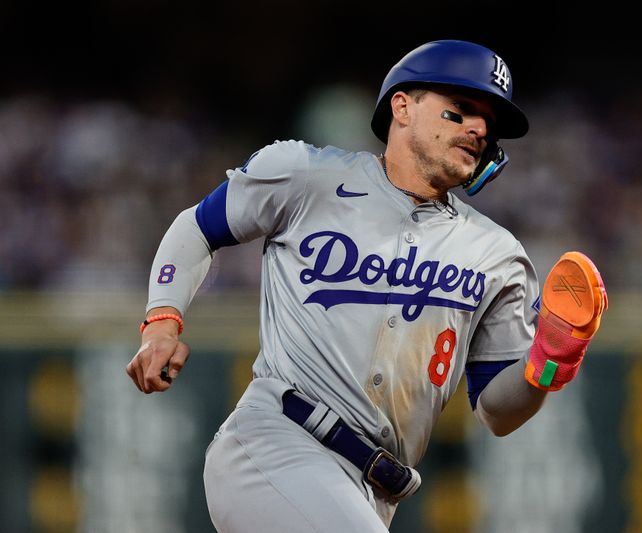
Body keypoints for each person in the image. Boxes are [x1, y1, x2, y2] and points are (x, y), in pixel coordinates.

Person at [125, 39, 608, 532]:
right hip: (277, 445)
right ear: (403, 106)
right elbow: (197, 228)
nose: (480, 128)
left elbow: (497, 413)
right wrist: (162, 318)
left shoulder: (496, 253)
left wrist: (548, 363)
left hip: (374, 492)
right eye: (460, 109)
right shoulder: (307, 175)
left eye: (489, 121)